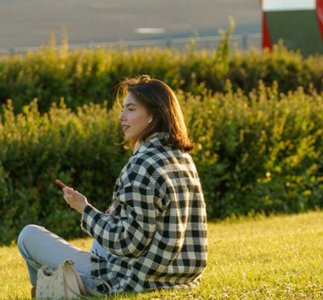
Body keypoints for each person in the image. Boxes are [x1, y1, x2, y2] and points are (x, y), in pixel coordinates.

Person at [17, 75, 207, 297]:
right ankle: (58, 287)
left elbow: (129, 243)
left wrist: (84, 210)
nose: (121, 116)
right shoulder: (182, 158)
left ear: (154, 115)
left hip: (130, 279)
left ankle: (56, 290)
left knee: (28, 236)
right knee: (101, 234)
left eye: (130, 109)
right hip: (180, 277)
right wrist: (109, 215)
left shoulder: (142, 165)